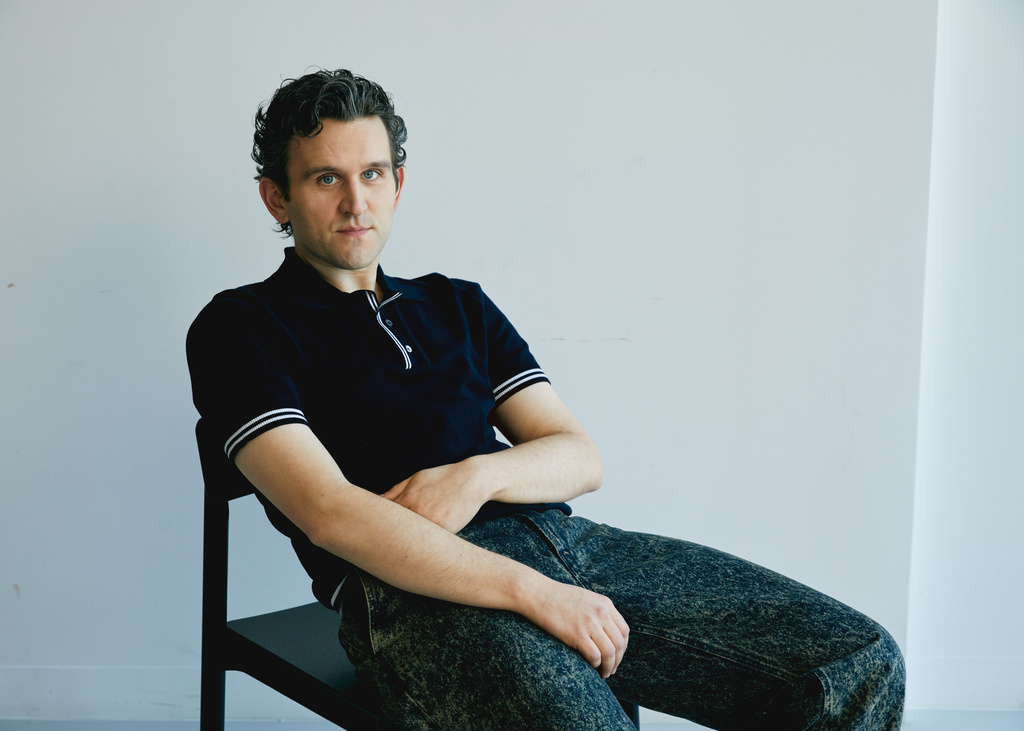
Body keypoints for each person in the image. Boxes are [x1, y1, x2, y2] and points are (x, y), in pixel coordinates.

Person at [186, 69, 905, 730]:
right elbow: (330, 513)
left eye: (373, 173)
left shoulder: (458, 305)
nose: (356, 202)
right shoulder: (240, 328)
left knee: (856, 662)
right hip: (410, 591)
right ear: (277, 196)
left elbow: (578, 457)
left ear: (398, 183)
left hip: (571, 546)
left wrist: (474, 476)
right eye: (326, 179)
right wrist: (533, 592)